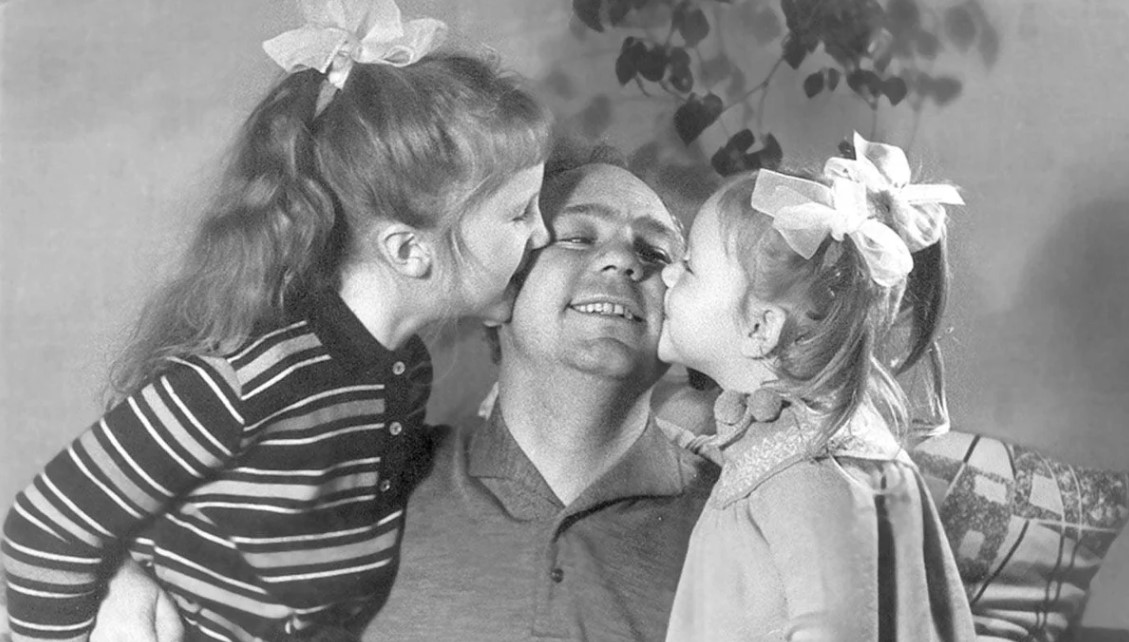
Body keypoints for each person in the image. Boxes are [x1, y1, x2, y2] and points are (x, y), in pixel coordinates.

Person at [0, 0, 553, 639]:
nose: (542, 234)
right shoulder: (249, 379)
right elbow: (44, 529)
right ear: (409, 250)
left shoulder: (401, 368)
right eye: (519, 214)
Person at [83, 143, 717, 641]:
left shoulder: (736, 513)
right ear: (500, 287)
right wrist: (120, 576)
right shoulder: (368, 475)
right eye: (578, 235)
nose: (625, 261)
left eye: (658, 252)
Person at [657, 133, 975, 641]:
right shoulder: (802, 441)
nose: (669, 275)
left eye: (691, 267)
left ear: (760, 328)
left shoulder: (810, 471)